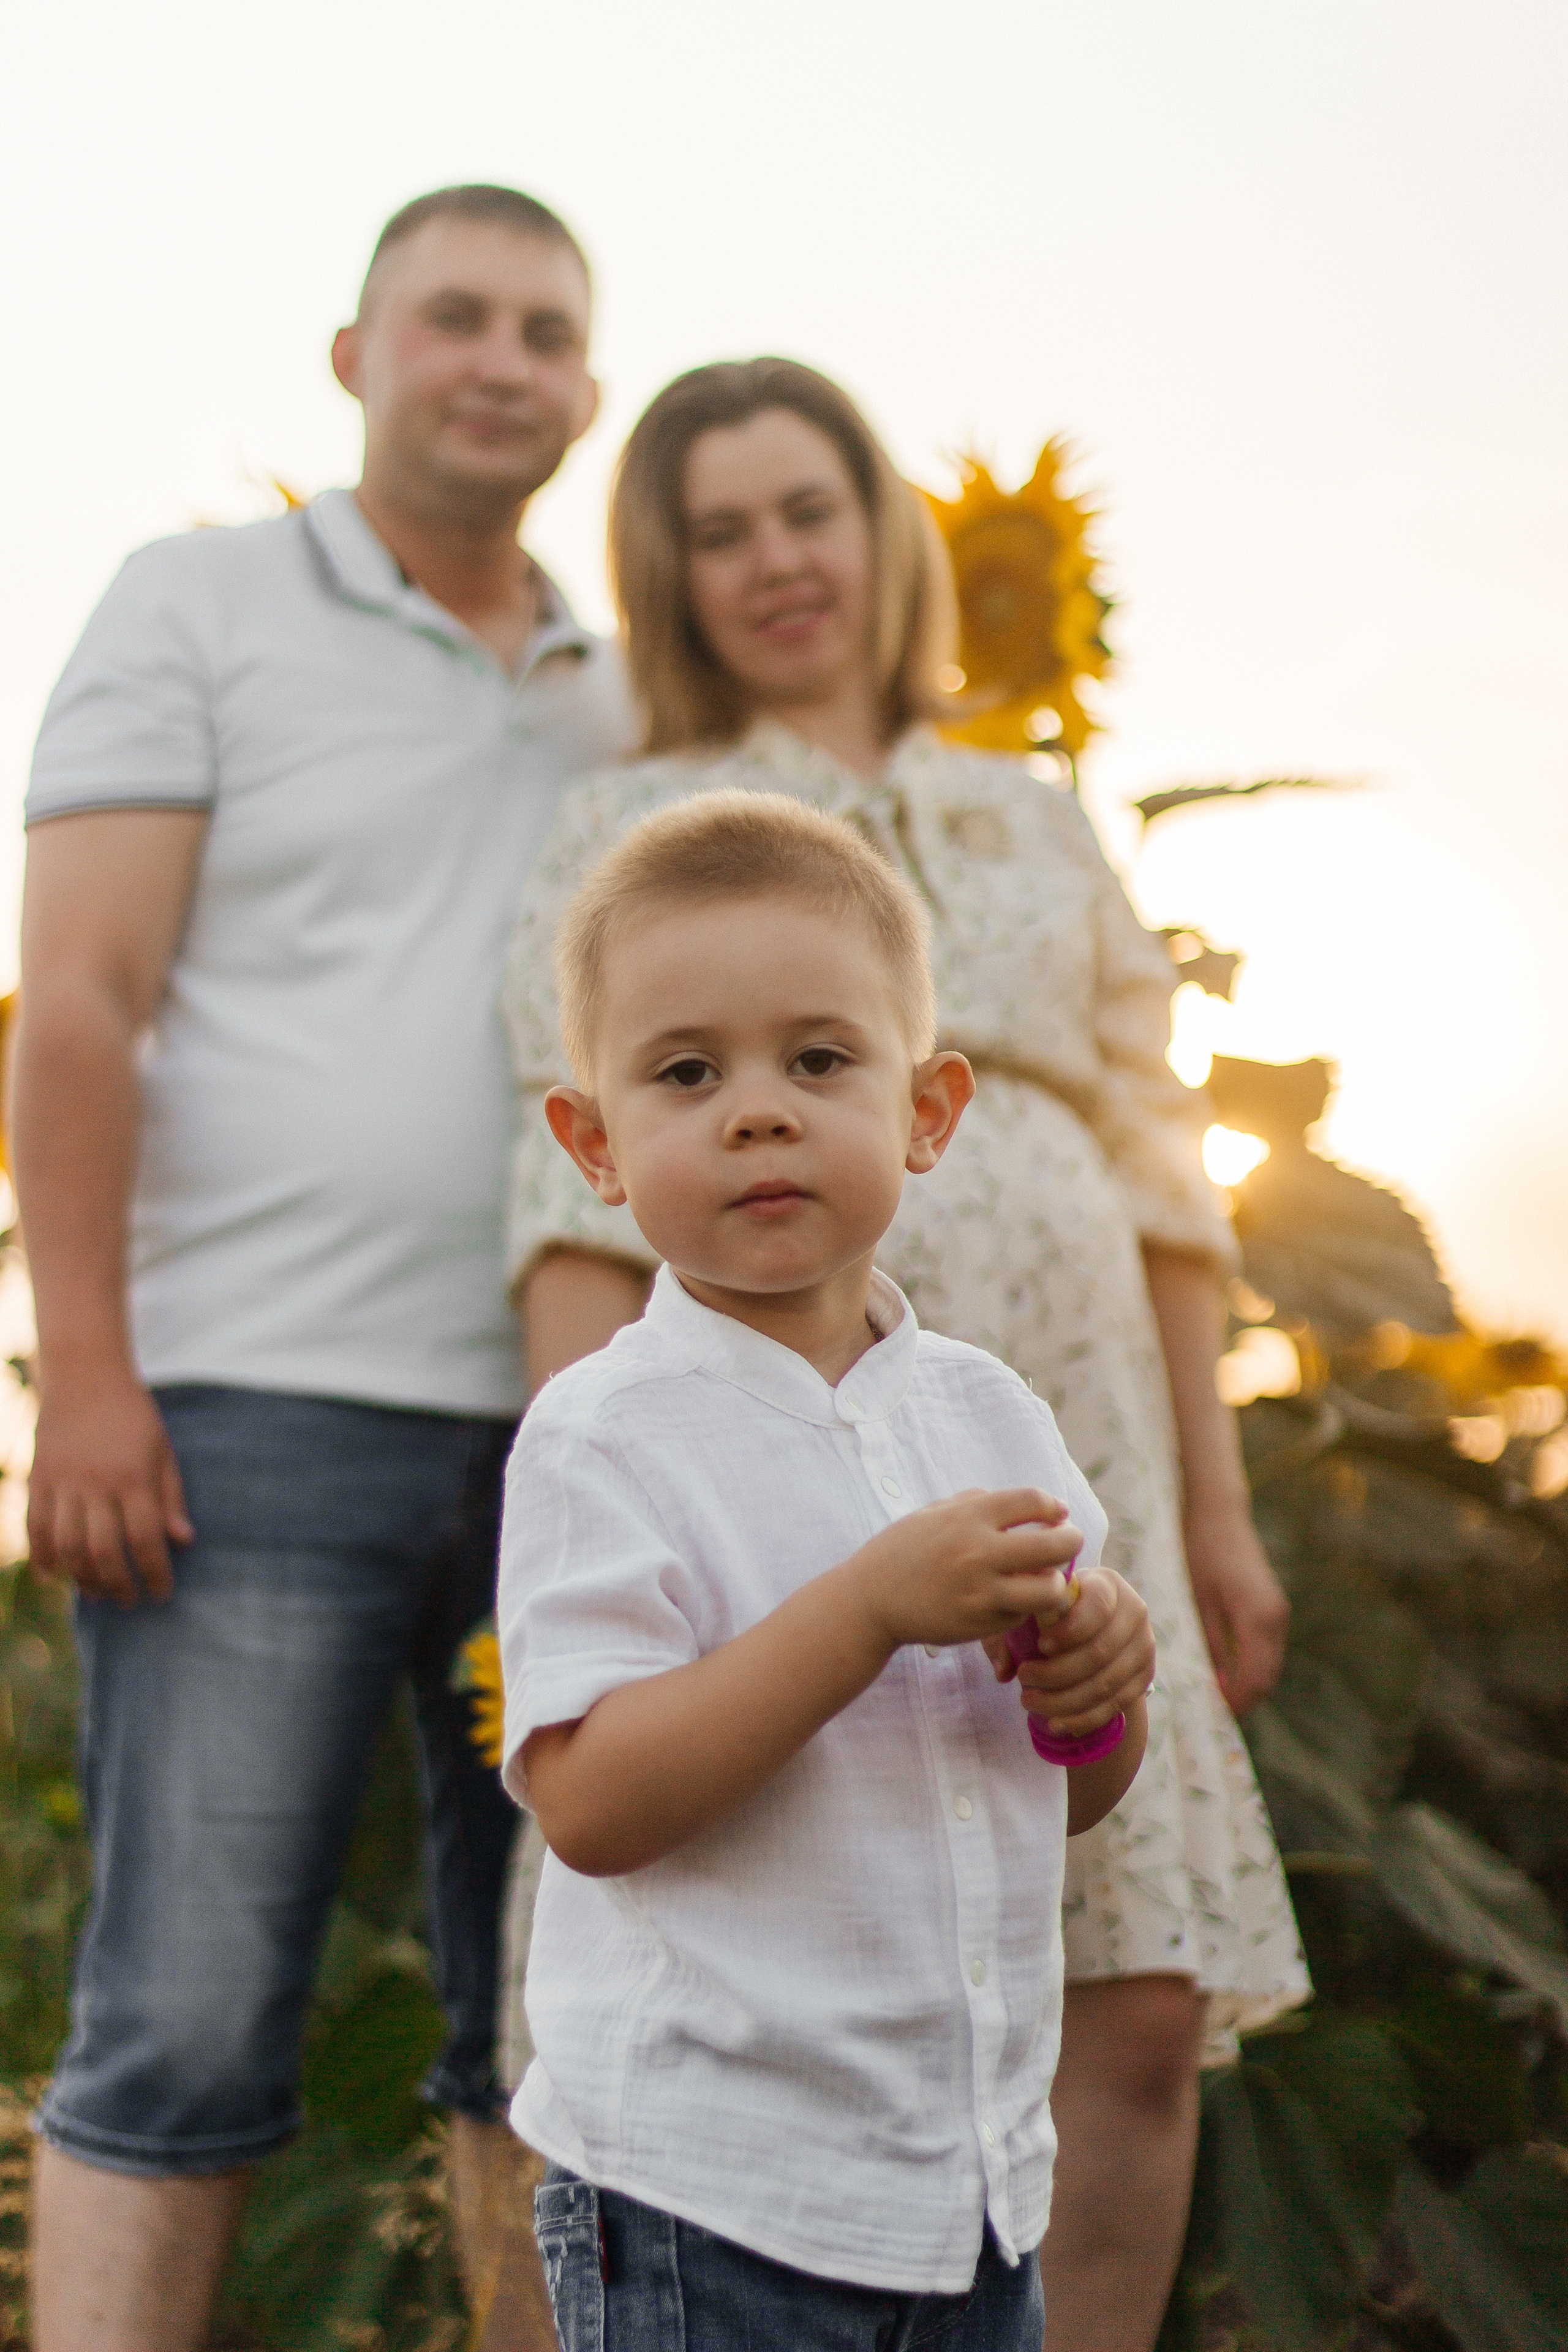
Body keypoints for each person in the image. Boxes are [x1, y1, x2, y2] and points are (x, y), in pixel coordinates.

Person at [502, 358, 1311, 2351]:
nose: (777, 558)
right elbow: (554, 1223)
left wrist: (1209, 1507)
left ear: (885, 538)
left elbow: (1156, 1149)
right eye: (720, 530)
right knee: (777, 1919)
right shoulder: (626, 824)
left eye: (811, 510)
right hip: (752, 1433)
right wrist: (571, 1481)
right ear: (672, 581)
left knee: (1123, 1998)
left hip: (1062, 1392)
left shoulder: (1029, 812)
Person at [14, 183, 633, 2352]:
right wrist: (81, 1367)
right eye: (452, 316)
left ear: (585, 387)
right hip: (247, 1412)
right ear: (354, 358)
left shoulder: (625, 696)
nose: (500, 360)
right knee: (181, 2024)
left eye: (546, 331)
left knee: (561, 2033)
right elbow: (77, 998)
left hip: (582, 1438)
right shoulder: (193, 604)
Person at [499, 786, 1157, 2349]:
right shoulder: (606, 1435)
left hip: (968, 2185)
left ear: (926, 1111)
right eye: (684, 1073)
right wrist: (862, 1611)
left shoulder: (986, 1414)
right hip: (712, 2192)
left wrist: (1099, 1689)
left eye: (816, 1060)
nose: (756, 1110)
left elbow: (1062, 1791)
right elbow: (590, 1804)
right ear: (593, 1144)